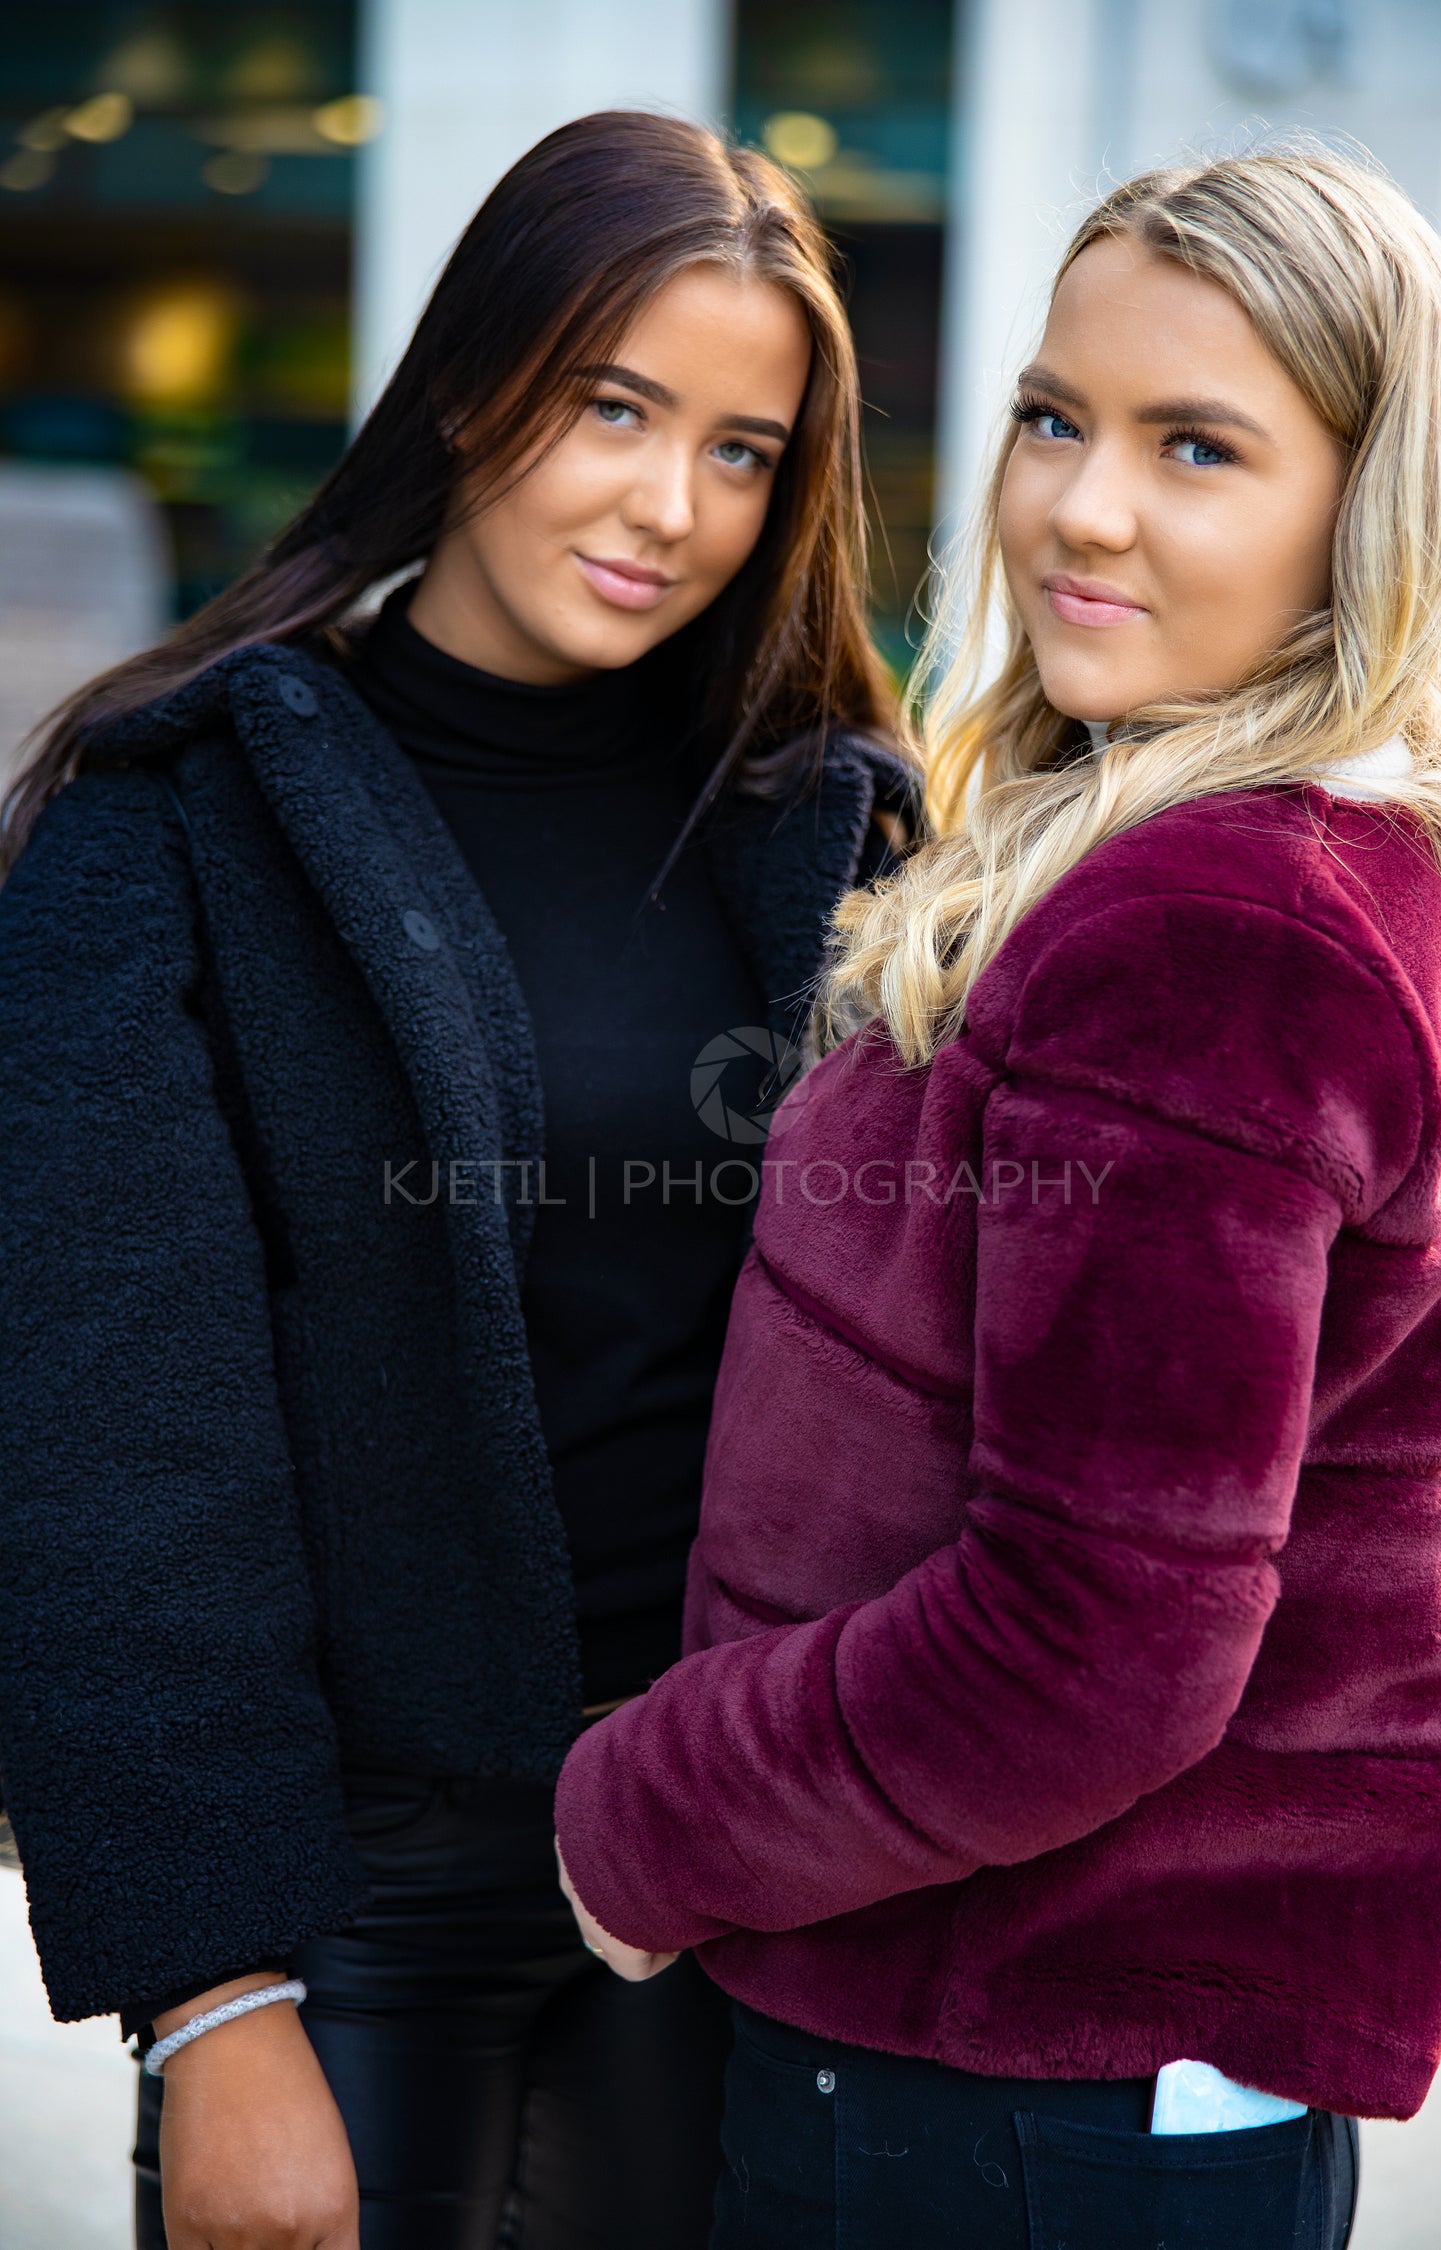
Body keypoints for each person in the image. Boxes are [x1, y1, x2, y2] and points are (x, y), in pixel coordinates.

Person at [552, 145, 1441, 2249]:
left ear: (1367, 514)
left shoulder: (1227, 932)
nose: (1082, 506)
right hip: (1056, 2073)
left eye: (1199, 447)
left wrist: (644, 1816)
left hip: (1010, 2089)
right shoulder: (1308, 872)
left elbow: (1099, 1638)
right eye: (1056, 417)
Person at [0, 111, 908, 2250]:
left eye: (742, 451)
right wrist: (208, 2006)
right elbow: (111, 1442)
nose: (669, 507)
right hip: (349, 1889)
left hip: (740, 1863)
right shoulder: (175, 819)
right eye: (616, 407)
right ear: (480, 375)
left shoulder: (840, 845)